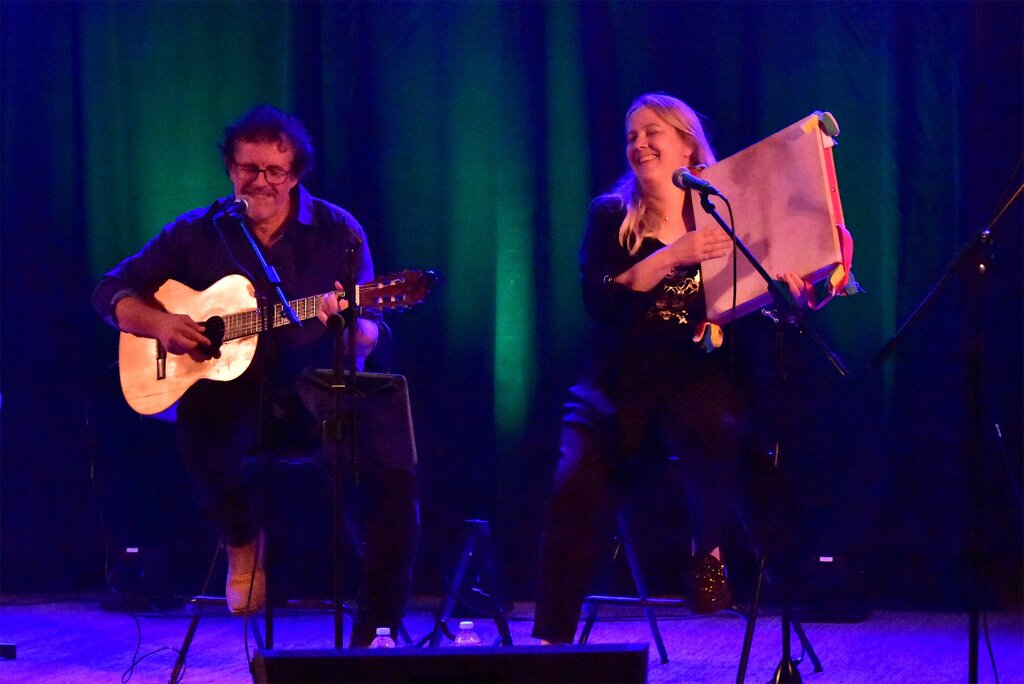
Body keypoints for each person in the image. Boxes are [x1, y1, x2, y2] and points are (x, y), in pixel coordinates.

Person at [92, 105, 418, 647]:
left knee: (394, 472)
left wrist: (348, 324)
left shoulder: (338, 232)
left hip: (315, 389)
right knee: (200, 423)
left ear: (296, 174)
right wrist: (160, 323)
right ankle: (242, 538)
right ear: (230, 168)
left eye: (276, 171)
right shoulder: (199, 232)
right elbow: (110, 290)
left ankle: (378, 625)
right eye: (249, 169)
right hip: (230, 395)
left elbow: (369, 335)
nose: (261, 182)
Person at [532, 93, 831, 645]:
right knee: (573, 485)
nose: (639, 144)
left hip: (696, 378)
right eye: (631, 136)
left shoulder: (724, 209)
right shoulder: (611, 216)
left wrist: (791, 293)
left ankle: (706, 551)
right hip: (619, 382)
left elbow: (759, 297)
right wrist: (673, 254)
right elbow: (599, 300)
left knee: (714, 422)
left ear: (688, 144)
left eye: (653, 132)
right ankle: (550, 643)